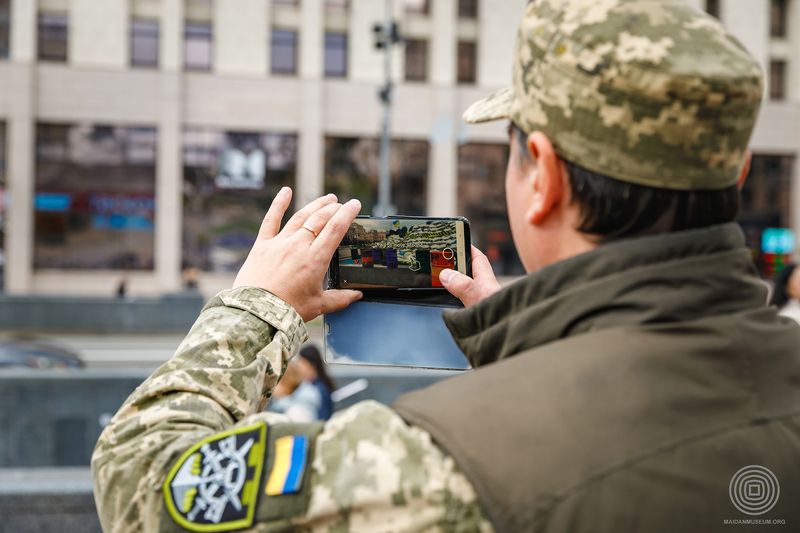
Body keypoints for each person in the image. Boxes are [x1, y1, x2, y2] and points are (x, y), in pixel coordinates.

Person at [92, 1, 800, 531]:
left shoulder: (445, 455)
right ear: (736, 172)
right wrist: (524, 348)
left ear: (544, 175)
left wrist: (253, 306)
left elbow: (142, 483)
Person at [268, 344, 335, 422]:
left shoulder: (319, 389)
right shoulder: (309, 385)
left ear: (309, 364)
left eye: (301, 363)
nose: (299, 366)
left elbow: (323, 418)